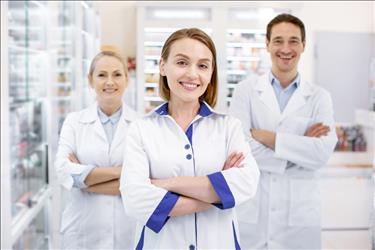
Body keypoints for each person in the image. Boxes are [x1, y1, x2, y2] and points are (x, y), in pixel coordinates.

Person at [120, 28, 260, 249]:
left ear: (211, 73)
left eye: (203, 65)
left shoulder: (228, 127)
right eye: (182, 62)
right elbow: (135, 199)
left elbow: (247, 183)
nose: (193, 74)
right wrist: (217, 194)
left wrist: (168, 184)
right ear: (163, 66)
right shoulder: (141, 129)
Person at [229, 13, 338, 249]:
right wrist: (298, 149)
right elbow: (239, 148)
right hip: (253, 211)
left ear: (303, 45)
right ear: (267, 44)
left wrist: (268, 137)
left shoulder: (319, 97)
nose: (285, 48)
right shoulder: (245, 91)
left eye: (293, 41)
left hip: (299, 219)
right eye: (278, 40)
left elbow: (321, 153)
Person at [55, 50, 137, 249]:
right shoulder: (74, 122)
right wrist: (124, 173)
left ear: (127, 79)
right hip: (82, 232)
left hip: (127, 232)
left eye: (117, 74)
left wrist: (84, 180)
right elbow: (63, 171)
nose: (110, 82)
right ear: (91, 81)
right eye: (102, 75)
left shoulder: (142, 125)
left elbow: (145, 182)